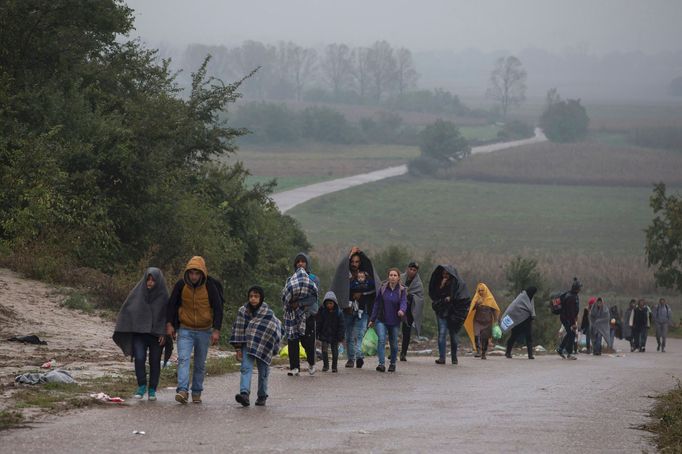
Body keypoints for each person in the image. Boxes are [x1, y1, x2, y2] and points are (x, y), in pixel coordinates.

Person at [166, 256, 223, 404]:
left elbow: (218, 308)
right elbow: (172, 304)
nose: (194, 276)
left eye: (197, 273)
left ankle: (197, 392)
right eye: (191, 273)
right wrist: (170, 324)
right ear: (187, 273)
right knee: (183, 359)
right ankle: (183, 390)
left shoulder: (210, 287)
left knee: (199, 363)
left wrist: (216, 330)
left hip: (204, 331)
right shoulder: (181, 285)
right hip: (185, 329)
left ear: (202, 273)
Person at [113, 267, 169, 401]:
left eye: (153, 280)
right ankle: (142, 385)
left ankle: (152, 389)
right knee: (139, 357)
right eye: (148, 279)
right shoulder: (138, 292)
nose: (150, 283)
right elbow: (128, 309)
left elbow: (168, 316)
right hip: (139, 333)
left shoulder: (164, 295)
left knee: (155, 361)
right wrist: (128, 325)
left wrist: (164, 333)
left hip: (157, 335)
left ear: (158, 281)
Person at [230, 286, 283, 407]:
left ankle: (262, 395)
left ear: (261, 298)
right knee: (245, 368)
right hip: (247, 345)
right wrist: (238, 348)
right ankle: (244, 394)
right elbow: (238, 329)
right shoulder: (242, 311)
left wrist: (272, 345)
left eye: (256, 296)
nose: (253, 299)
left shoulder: (268, 313)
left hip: (264, 346)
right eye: (251, 296)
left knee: (263, 372)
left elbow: (275, 329)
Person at [329, 247, 380, 369]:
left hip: (362, 311)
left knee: (359, 334)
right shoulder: (345, 275)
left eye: (357, 262)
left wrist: (361, 294)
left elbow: (373, 289)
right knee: (348, 335)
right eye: (352, 262)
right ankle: (351, 359)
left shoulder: (365, 275)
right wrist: (349, 255)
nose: (354, 264)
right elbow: (340, 287)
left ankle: (359, 357)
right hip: (347, 310)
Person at [282, 253, 319, 376]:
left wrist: (299, 303)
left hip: (308, 315)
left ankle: (311, 363)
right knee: (292, 340)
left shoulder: (313, 279)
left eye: (303, 261)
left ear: (307, 264)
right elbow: (286, 294)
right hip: (293, 316)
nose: (300, 264)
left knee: (307, 341)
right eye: (298, 262)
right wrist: (290, 303)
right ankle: (294, 367)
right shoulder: (290, 279)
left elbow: (313, 297)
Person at [428, 265, 470, 365]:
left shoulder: (459, 284)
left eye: (447, 274)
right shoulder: (439, 283)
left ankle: (454, 358)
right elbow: (435, 296)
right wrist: (441, 286)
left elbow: (463, 298)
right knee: (442, 333)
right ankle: (442, 357)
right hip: (442, 311)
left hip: (455, 313)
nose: (445, 276)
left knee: (453, 335)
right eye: (444, 274)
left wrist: (451, 298)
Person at [369, 268, 407, 372]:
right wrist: (372, 319)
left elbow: (404, 302)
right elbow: (376, 304)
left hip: (394, 321)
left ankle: (393, 363)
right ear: (388, 277)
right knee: (381, 340)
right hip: (381, 319)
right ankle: (381, 364)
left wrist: (402, 310)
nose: (393, 277)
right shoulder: (382, 289)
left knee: (393, 343)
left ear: (398, 277)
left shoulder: (402, 290)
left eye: (395, 275)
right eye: (391, 275)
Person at [464, 283, 500, 360]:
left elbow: (494, 310)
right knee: (476, 335)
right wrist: (476, 304)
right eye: (479, 290)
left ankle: (483, 353)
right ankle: (478, 351)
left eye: (482, 290)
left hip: (487, 322)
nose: (480, 292)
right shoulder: (476, 299)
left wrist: (496, 321)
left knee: (485, 338)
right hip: (477, 321)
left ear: (486, 290)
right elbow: (470, 309)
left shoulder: (490, 299)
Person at [500, 287, 537, 359]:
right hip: (517, 321)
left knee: (529, 337)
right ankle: (508, 352)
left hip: (527, 321)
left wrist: (531, 316)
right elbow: (513, 309)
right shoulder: (521, 298)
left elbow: (530, 309)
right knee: (513, 336)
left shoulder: (530, 298)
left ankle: (530, 355)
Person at [400, 262, 425, 362]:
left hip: (409, 310)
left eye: (414, 270)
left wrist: (409, 295)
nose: (412, 272)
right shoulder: (400, 278)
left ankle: (403, 353)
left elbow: (420, 298)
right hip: (396, 308)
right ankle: (393, 352)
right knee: (393, 329)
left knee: (406, 332)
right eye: (411, 269)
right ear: (407, 268)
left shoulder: (418, 284)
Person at [316, 291, 345, 372]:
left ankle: (334, 367)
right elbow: (319, 322)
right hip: (324, 334)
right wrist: (317, 333)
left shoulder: (339, 312)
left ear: (334, 303)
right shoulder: (322, 311)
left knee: (334, 350)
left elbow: (342, 325)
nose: (329, 305)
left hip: (335, 335)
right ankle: (325, 365)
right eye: (327, 303)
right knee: (324, 350)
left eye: (331, 303)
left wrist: (341, 336)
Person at [557, 277, 581, 360]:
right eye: (579, 287)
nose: (580, 289)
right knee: (572, 333)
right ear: (577, 289)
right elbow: (570, 312)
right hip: (567, 318)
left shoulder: (572, 295)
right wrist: (573, 323)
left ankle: (560, 349)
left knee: (570, 333)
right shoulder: (571, 297)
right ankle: (569, 353)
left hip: (566, 318)